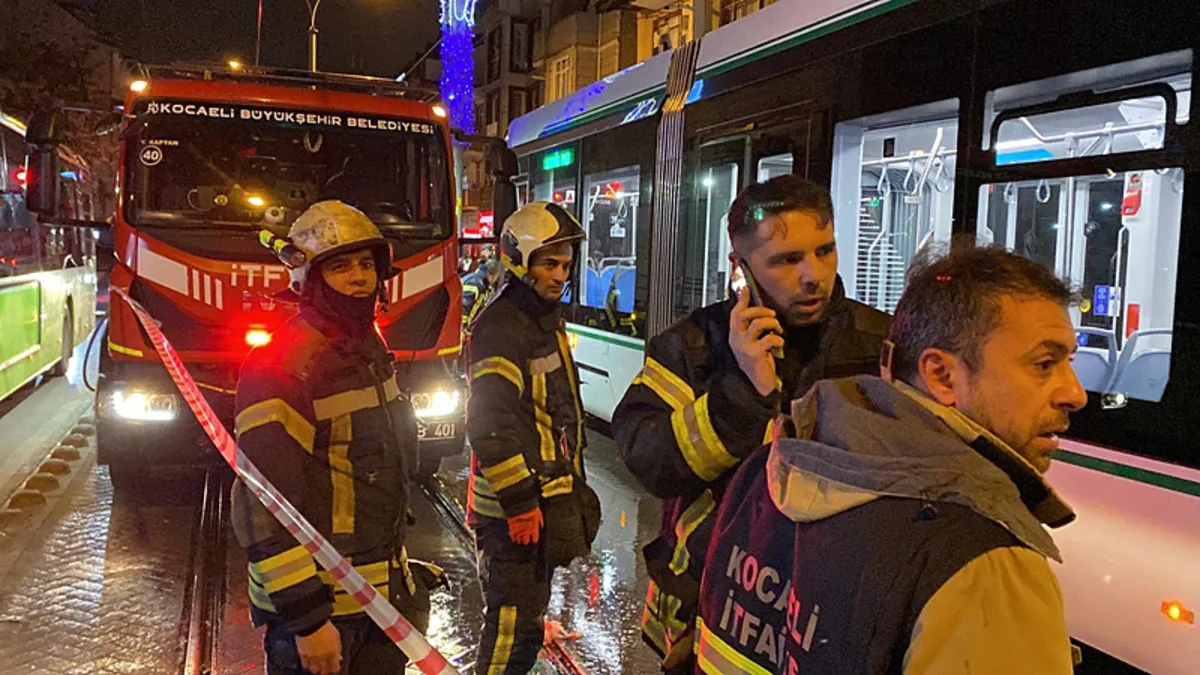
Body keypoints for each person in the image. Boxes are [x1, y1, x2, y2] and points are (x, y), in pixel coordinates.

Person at [696, 244, 1086, 674]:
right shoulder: (985, 565)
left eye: (1069, 362)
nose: (1075, 394)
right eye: (1044, 364)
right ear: (941, 376)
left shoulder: (768, 469)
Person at [612, 175, 891, 672]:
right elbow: (646, 458)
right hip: (704, 611)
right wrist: (744, 392)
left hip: (831, 615)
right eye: (786, 260)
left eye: (825, 251)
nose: (814, 275)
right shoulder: (693, 346)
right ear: (741, 267)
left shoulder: (881, 347)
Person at [232, 200, 434, 675]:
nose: (360, 277)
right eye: (341, 266)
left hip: (378, 606)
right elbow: (264, 505)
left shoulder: (368, 348)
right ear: (308, 278)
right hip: (324, 617)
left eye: (366, 264)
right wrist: (307, 621)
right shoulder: (281, 364)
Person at [466, 201, 601, 675]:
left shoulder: (539, 319)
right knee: (511, 631)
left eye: (565, 264)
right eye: (549, 263)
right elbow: (488, 422)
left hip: (539, 505)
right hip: (513, 514)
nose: (560, 274)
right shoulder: (504, 327)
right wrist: (521, 502)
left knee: (525, 624)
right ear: (520, 260)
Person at [461, 258, 503, 332]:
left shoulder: (481, 283)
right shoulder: (475, 282)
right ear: (493, 275)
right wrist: (463, 328)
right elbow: (464, 306)